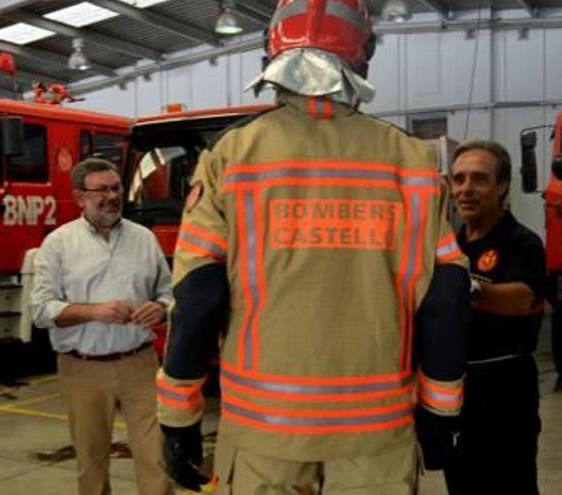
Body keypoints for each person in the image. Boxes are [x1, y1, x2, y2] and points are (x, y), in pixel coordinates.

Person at [156, 1, 472, 493]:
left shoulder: (233, 157)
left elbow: (199, 296)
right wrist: (441, 410)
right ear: (364, 56)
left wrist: (178, 413)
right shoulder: (410, 160)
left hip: (264, 430)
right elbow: (446, 297)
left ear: (270, 55)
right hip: (377, 429)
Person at [31, 157, 174, 495]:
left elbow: (168, 292)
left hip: (140, 364)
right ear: (80, 197)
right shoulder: (58, 244)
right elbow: (41, 310)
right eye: (101, 191)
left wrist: (163, 309)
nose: (111, 197)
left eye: (116, 188)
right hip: (83, 369)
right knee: (92, 462)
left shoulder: (144, 239)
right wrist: (94, 311)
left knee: (157, 458)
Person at [444, 140, 545, 495]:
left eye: (478, 179)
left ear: (502, 185)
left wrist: (461, 286)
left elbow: (521, 299)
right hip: (454, 390)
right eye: (458, 179)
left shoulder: (522, 243)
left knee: (509, 484)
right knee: (461, 483)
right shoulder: (450, 245)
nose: (465, 189)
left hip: (505, 392)